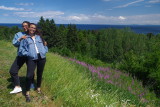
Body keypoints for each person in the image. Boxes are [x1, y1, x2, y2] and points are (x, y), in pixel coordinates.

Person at [19, 23, 48, 102]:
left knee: (40, 74)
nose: (33, 29)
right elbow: (21, 50)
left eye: (34, 28)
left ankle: (38, 88)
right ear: (28, 28)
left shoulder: (39, 37)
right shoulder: (25, 38)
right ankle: (27, 93)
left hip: (41, 58)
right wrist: (28, 54)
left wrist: (45, 50)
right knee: (29, 76)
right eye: (31, 27)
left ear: (36, 29)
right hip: (32, 58)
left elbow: (44, 45)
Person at [9, 21, 34, 94]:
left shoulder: (33, 35)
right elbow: (14, 44)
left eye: (26, 26)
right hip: (21, 55)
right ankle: (17, 86)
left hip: (30, 56)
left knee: (30, 72)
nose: (24, 27)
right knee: (12, 71)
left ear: (29, 26)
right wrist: (20, 39)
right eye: (23, 26)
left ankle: (31, 83)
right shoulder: (18, 34)